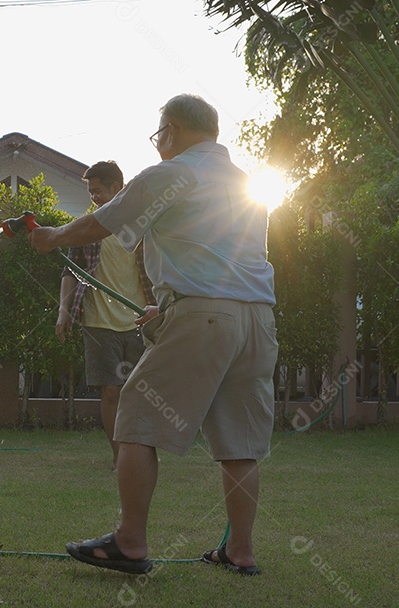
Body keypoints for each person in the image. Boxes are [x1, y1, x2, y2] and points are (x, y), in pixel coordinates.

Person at [29, 94, 277, 576]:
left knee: (136, 416)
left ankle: (130, 541)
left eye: (159, 133)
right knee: (239, 442)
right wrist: (165, 306)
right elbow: (220, 261)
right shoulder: (245, 183)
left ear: (174, 129)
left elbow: (104, 221)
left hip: (204, 317)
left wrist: (53, 236)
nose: (158, 143)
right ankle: (240, 552)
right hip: (256, 320)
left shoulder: (171, 174)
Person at [55, 160, 155, 469]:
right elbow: (69, 272)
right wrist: (63, 313)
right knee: (110, 392)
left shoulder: (142, 225)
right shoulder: (86, 228)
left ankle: (139, 452)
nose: (93, 198)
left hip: (139, 321)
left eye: (98, 191)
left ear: (117, 188)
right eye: (90, 192)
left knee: (138, 394)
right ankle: (119, 457)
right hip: (98, 322)